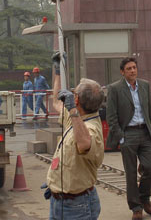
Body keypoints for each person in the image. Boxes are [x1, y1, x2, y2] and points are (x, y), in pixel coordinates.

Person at [46, 56, 105, 220]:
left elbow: (84, 143)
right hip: (58, 200)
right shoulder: (75, 116)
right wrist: (58, 72)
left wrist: (72, 109)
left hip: (77, 205)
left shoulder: (91, 127)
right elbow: (57, 102)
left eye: (74, 93)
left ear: (77, 99)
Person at [106, 57, 151, 220]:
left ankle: (144, 198)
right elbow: (111, 116)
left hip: (145, 133)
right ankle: (136, 207)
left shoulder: (144, 85)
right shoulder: (114, 88)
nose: (133, 71)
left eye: (134, 67)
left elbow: (149, 112)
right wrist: (120, 137)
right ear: (122, 72)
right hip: (128, 134)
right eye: (129, 68)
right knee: (131, 173)